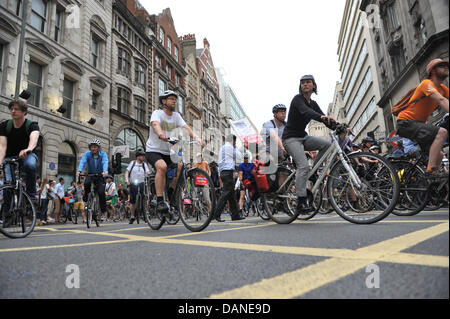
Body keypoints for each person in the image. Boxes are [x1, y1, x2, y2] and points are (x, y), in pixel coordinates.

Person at [282, 74, 336, 214]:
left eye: (308, 82)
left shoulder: (313, 103)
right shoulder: (297, 99)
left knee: (327, 144)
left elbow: (325, 119)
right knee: (303, 166)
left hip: (303, 137)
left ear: (313, 86)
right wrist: (321, 117)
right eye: (302, 83)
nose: (305, 85)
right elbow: (306, 112)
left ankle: (312, 174)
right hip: (291, 139)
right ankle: (300, 201)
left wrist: (340, 126)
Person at [145, 90, 204, 217]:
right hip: (153, 150)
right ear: (164, 101)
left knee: (181, 166)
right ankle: (160, 200)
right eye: (171, 99)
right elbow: (155, 124)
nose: (174, 101)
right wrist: (160, 133)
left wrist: (197, 137)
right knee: (162, 167)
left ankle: (171, 194)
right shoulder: (157, 113)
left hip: (168, 152)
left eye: (175, 99)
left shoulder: (176, 116)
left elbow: (186, 127)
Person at [396, 58, 449, 177]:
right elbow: (441, 100)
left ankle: (436, 183)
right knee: (442, 132)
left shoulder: (443, 89)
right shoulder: (427, 84)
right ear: (433, 71)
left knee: (439, 155)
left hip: (418, 125)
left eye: (447, 66)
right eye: (442, 66)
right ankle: (431, 170)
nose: (446, 67)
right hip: (405, 122)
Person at [0, 99, 40, 227]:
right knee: (8, 186)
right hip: (10, 158)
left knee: (30, 165)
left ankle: (31, 198)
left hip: (27, 155)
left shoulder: (32, 125)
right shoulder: (5, 125)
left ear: (24, 112)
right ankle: (7, 216)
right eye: (11, 109)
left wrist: (28, 149)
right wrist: (0, 162)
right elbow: (2, 146)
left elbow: (34, 139)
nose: (13, 111)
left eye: (16, 109)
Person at [76, 139, 109, 222]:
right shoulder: (87, 154)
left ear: (98, 148)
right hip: (90, 174)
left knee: (101, 193)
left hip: (100, 175)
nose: (93, 148)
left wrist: (105, 171)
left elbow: (105, 162)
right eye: (92, 147)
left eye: (95, 147)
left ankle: (103, 212)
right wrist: (79, 170)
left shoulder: (103, 155)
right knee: (86, 184)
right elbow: (82, 162)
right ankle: (86, 200)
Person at [213, 134, 244, 222]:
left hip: (223, 172)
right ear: (233, 141)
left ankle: (235, 215)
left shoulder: (222, 148)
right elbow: (239, 157)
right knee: (225, 194)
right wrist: (235, 147)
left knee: (232, 195)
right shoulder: (230, 147)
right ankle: (216, 214)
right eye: (235, 141)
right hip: (228, 172)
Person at [125, 149, 151, 224]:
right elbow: (127, 172)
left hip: (142, 183)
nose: (143, 157)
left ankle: (146, 214)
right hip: (133, 183)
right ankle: (132, 216)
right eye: (142, 156)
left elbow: (148, 172)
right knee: (132, 201)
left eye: (143, 156)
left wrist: (149, 173)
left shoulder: (144, 164)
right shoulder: (132, 163)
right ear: (138, 157)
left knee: (145, 199)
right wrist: (127, 180)